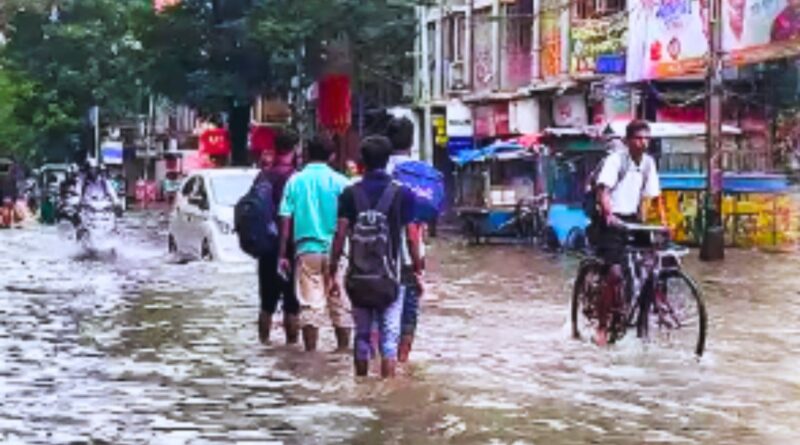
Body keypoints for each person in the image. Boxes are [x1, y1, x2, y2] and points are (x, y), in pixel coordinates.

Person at [330, 135, 423, 378]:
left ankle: (361, 385)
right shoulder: (403, 195)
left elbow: (339, 236)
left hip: (358, 277)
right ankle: (386, 394)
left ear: (362, 161)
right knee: (389, 337)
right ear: (387, 160)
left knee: (361, 333)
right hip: (391, 277)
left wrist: (332, 271)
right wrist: (417, 269)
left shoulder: (349, 194)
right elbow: (412, 236)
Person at [594, 120, 667, 346]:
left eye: (646, 138)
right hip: (610, 220)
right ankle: (602, 325)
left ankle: (645, 310)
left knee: (654, 263)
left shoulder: (648, 163)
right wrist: (608, 213)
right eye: (638, 138)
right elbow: (603, 191)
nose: (643, 142)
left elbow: (651, 197)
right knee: (614, 274)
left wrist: (663, 223)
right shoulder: (616, 160)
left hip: (634, 220)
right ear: (627, 141)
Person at [278, 135, 352, 352]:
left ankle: (310, 354)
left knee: (310, 305)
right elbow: (349, 222)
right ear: (332, 156)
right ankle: (342, 353)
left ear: (307, 154)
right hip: (337, 251)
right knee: (340, 304)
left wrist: (283, 253)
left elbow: (285, 218)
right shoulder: (342, 183)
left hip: (306, 250)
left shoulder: (295, 181)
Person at [385, 116, 427, 362]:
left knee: (382, 316)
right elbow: (415, 227)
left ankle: (383, 363)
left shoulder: (379, 170)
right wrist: (418, 262)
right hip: (410, 256)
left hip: (378, 256)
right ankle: (402, 364)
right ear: (411, 141)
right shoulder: (419, 173)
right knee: (408, 316)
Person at [255, 131, 301, 345]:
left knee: (266, 304)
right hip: (293, 246)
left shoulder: (262, 177)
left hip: (266, 247)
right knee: (292, 304)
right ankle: (292, 350)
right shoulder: (297, 179)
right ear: (295, 149)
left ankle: (263, 345)